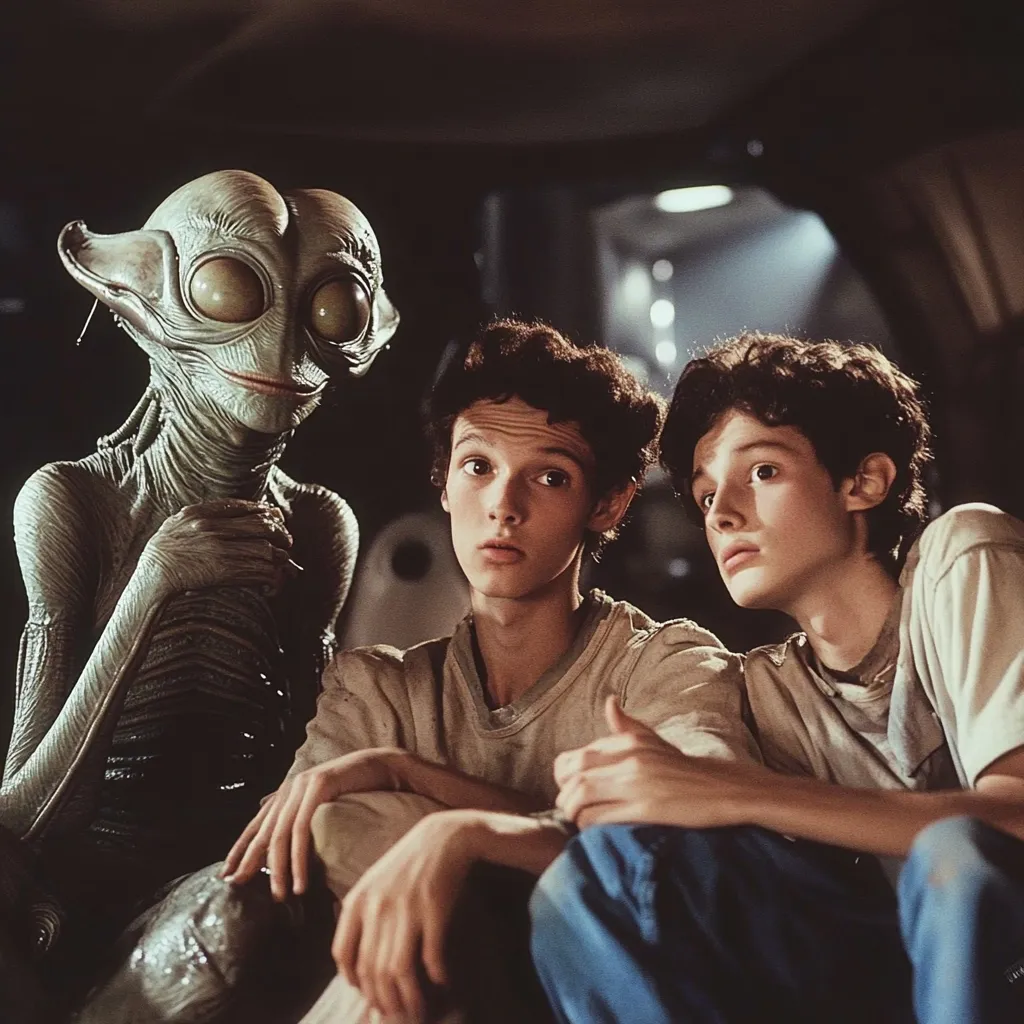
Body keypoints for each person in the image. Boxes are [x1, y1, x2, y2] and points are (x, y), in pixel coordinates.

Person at [74, 318, 758, 1024]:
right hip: (398, 995)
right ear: (444, 484)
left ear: (607, 502)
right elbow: (283, 869)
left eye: (550, 477)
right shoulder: (375, 690)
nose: (503, 506)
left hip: (600, 998)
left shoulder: (667, 667)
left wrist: (430, 802)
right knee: (343, 834)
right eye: (478, 467)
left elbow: (694, 859)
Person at [533, 332, 1024, 1024]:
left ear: (864, 481)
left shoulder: (961, 558)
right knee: (595, 875)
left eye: (762, 472)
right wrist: (454, 832)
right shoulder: (766, 690)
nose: (723, 514)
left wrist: (739, 791)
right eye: (706, 496)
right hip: (891, 979)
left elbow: (1013, 818)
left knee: (956, 853)